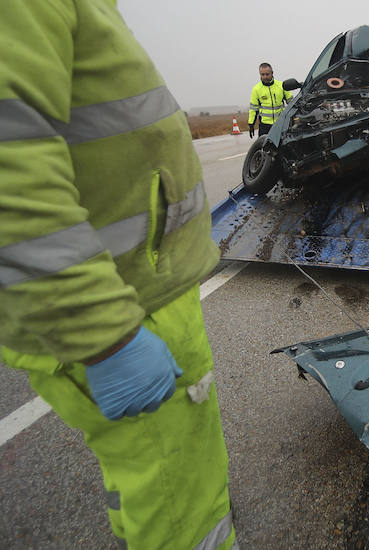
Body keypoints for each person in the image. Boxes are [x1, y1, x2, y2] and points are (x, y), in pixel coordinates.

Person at [0, 2, 235, 549]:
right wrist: (104, 332)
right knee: (183, 509)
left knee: (149, 482)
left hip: (135, 292)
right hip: (126, 308)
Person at [248, 63, 293, 138]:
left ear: (272, 73)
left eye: (267, 74)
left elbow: (291, 102)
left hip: (280, 124)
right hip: (264, 126)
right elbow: (253, 109)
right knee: (265, 148)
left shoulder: (281, 85)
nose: (265, 77)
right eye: (262, 74)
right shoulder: (256, 89)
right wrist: (251, 124)